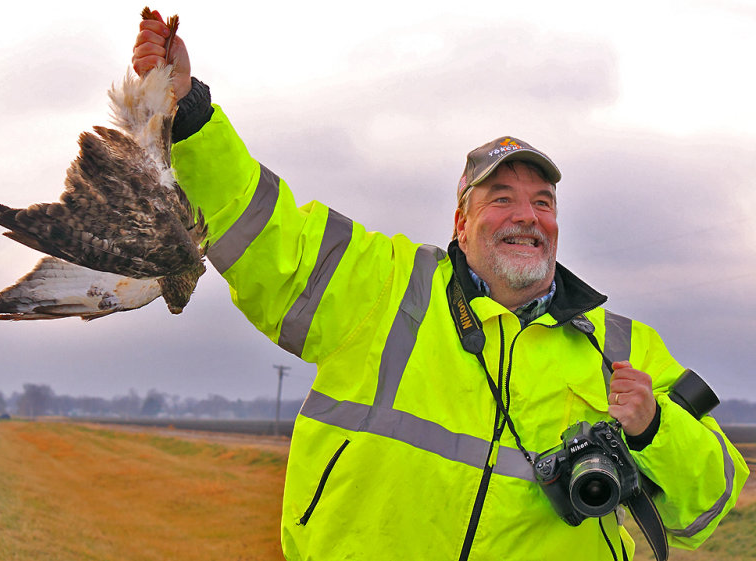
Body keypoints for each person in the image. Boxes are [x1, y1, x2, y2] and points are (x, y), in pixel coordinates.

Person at [134, 14, 748, 561]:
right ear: (461, 222)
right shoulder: (385, 284)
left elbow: (708, 505)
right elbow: (272, 237)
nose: (526, 216)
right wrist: (189, 117)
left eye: (542, 202)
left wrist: (655, 429)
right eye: (500, 198)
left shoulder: (622, 347)